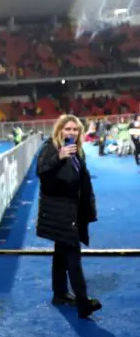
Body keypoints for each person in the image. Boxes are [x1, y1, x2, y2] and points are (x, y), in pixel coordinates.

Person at [36, 114, 102, 319]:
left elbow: (83, 181)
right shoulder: (51, 147)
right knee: (73, 256)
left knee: (61, 252)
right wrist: (59, 156)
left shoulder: (78, 151)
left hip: (72, 210)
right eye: (68, 129)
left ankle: (59, 294)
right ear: (59, 130)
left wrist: (89, 208)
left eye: (75, 130)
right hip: (59, 211)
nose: (71, 133)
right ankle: (82, 302)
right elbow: (41, 171)